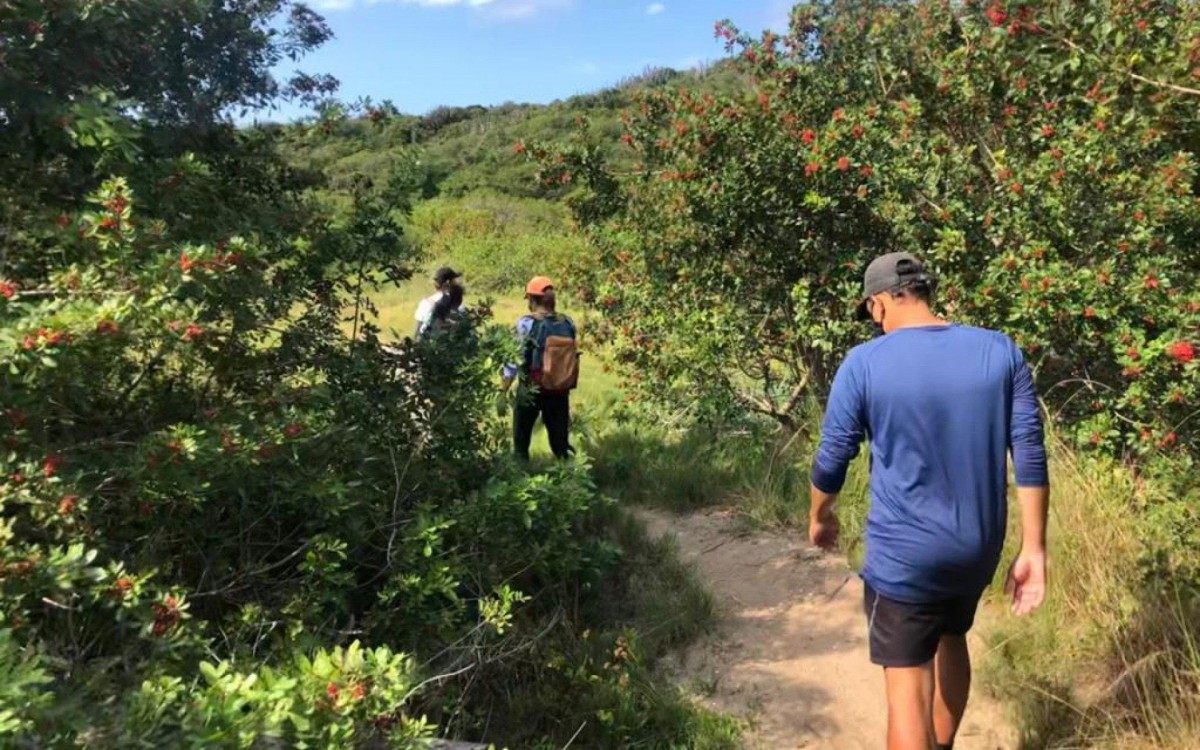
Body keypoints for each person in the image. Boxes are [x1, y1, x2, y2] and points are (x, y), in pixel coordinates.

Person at [808, 252, 1050, 750]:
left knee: (906, 692)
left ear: (878, 305)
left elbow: (833, 457)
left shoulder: (865, 363)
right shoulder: (999, 350)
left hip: (906, 558)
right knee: (952, 634)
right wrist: (1034, 550)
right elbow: (1028, 449)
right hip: (976, 549)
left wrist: (819, 516)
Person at [501, 276, 579, 460]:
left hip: (531, 389)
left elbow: (513, 360)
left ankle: (519, 479)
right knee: (560, 446)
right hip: (559, 389)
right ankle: (570, 480)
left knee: (521, 443)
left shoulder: (526, 323)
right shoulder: (568, 323)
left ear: (533, 300)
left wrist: (503, 391)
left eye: (528, 298)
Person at [414, 266, 464, 338]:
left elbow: (418, 330)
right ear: (448, 283)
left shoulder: (425, 303)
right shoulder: (458, 305)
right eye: (454, 281)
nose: (457, 283)